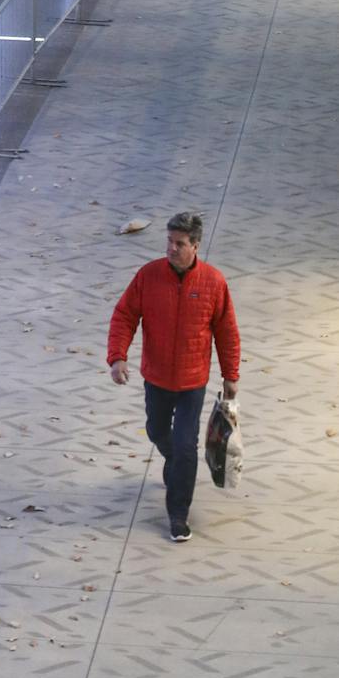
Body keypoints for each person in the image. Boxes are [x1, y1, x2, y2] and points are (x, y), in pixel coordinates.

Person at [107, 211, 240, 543]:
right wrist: (118, 357)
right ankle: (175, 464)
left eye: (179, 243)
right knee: (156, 429)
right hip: (156, 377)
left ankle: (178, 515)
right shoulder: (148, 276)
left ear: (195, 246)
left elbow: (227, 332)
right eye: (168, 241)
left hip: (192, 381)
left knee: (185, 447)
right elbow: (125, 315)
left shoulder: (213, 282)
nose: (171, 248)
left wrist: (230, 375)